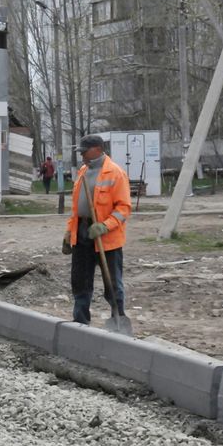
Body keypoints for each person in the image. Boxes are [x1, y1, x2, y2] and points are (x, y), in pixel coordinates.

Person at [63, 134, 131, 325]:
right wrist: (70, 233)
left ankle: (118, 318)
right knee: (80, 280)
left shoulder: (115, 173)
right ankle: (80, 320)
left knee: (112, 283)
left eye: (85, 151)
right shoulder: (83, 172)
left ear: (98, 150)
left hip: (106, 237)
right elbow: (76, 208)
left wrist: (104, 226)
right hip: (83, 231)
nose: (82, 155)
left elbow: (123, 208)